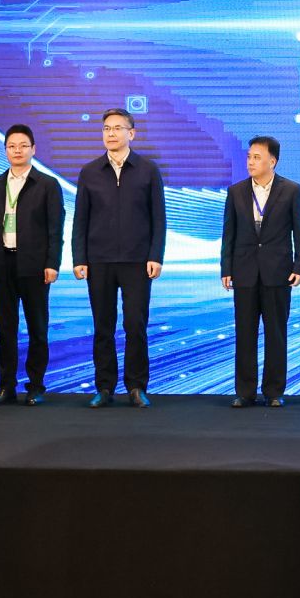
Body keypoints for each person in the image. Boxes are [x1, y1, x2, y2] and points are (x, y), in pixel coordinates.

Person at [72, 108, 166, 408]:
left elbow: (158, 218)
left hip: (138, 261)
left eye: (117, 128)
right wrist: (79, 257)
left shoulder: (148, 170)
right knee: (103, 326)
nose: (111, 133)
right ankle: (104, 387)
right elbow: (80, 219)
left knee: (135, 325)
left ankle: (136, 386)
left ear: (131, 133)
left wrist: (155, 255)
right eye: (106, 129)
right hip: (98, 260)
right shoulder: (89, 172)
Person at [220, 135, 300, 407]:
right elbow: (228, 234)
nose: (250, 162)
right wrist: (226, 268)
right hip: (244, 271)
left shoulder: (291, 190)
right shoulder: (236, 192)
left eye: (257, 157)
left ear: (273, 161)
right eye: (249, 157)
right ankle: (245, 392)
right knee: (245, 333)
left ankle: (274, 391)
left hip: (278, 273)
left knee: (276, 334)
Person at [0, 123, 64, 406]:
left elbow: (55, 228)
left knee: (37, 328)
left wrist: (52, 263)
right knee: (6, 329)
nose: (17, 151)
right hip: (1, 263)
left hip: (35, 265)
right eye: (12, 146)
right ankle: (6, 387)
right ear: (5, 151)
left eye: (23, 146)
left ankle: (36, 386)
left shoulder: (47, 184)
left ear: (33, 149)